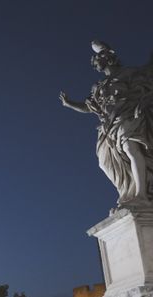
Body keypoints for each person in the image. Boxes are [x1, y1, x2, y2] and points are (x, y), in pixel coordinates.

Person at [60, 41, 153, 206]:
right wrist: (70, 103)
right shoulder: (99, 86)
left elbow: (148, 75)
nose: (95, 61)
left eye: (99, 57)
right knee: (104, 162)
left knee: (132, 149)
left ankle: (142, 195)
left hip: (128, 117)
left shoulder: (128, 73)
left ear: (110, 58)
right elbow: (89, 106)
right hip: (109, 125)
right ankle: (129, 192)